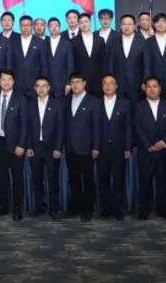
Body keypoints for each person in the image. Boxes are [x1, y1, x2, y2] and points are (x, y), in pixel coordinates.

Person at [132, 77, 166, 221]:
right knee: (145, 181)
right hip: (146, 151)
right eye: (149, 86)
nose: (152, 89)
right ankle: (144, 209)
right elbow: (137, 127)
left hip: (164, 151)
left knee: (163, 181)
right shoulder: (138, 106)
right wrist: (148, 145)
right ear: (144, 89)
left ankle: (162, 209)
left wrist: (163, 142)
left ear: (160, 89)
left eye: (155, 86)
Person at [0, 70, 27, 221]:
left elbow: (24, 125)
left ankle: (17, 209)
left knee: (17, 178)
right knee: (1, 178)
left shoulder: (20, 99)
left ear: (14, 81)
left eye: (9, 79)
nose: (6, 82)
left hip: (16, 145)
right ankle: (3, 206)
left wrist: (21, 145)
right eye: (3, 79)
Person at [24, 76, 64, 219]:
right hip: (35, 148)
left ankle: (53, 208)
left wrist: (58, 148)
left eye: (44, 85)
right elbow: (26, 128)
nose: (41, 89)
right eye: (38, 86)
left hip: (52, 148)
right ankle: (39, 207)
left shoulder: (57, 104)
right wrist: (28, 146)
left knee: (53, 180)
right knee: (37, 180)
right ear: (35, 88)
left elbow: (61, 128)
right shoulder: (29, 104)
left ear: (49, 87)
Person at [65, 73, 101, 221]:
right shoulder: (66, 100)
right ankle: (76, 207)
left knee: (87, 180)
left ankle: (88, 209)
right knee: (73, 179)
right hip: (70, 148)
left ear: (84, 83)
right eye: (72, 82)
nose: (75, 85)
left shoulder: (93, 101)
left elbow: (97, 127)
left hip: (87, 148)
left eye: (78, 82)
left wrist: (96, 147)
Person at [98, 74, 132, 220]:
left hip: (119, 149)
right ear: (102, 86)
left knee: (119, 179)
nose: (108, 86)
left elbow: (129, 128)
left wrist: (128, 148)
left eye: (111, 83)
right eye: (105, 83)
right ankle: (105, 208)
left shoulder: (125, 104)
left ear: (116, 86)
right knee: (103, 179)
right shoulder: (96, 103)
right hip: (101, 149)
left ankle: (117, 208)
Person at [109, 14, 147, 105]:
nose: (126, 27)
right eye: (124, 24)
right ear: (120, 26)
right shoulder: (113, 42)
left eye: (129, 24)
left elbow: (146, 64)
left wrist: (145, 81)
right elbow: (110, 63)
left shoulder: (143, 42)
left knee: (136, 108)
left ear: (134, 26)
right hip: (118, 83)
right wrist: (111, 81)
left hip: (137, 83)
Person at [10, 16, 48, 99]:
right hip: (17, 84)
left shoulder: (40, 43)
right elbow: (10, 64)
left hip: (34, 84)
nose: (25, 28)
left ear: (32, 26)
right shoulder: (12, 42)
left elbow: (44, 65)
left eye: (28, 25)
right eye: (23, 25)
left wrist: (43, 84)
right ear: (20, 26)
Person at [145, 13, 166, 101]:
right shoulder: (148, 42)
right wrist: (146, 81)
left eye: (163, 22)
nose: (160, 24)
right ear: (153, 24)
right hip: (153, 82)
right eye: (157, 22)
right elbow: (146, 63)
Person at [70, 14, 107, 97]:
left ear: (90, 22)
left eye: (86, 21)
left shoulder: (100, 40)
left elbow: (104, 61)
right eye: (81, 22)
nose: (84, 24)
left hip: (98, 80)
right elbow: (72, 62)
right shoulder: (73, 41)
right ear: (78, 24)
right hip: (81, 81)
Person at [46, 18, 75, 99]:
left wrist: (69, 83)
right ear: (48, 28)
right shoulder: (44, 43)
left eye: (56, 25)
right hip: (48, 84)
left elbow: (70, 65)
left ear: (60, 27)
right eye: (51, 26)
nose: (54, 28)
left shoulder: (67, 43)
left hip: (63, 84)